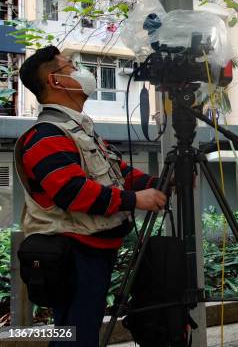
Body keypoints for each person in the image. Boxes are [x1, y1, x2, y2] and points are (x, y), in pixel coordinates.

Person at [15, 46, 168, 346]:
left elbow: (119, 174)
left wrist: (160, 183)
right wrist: (137, 200)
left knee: (78, 332)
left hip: (93, 250)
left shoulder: (79, 130)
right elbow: (72, 193)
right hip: (73, 254)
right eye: (71, 66)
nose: (81, 71)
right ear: (55, 81)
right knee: (75, 336)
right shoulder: (45, 135)